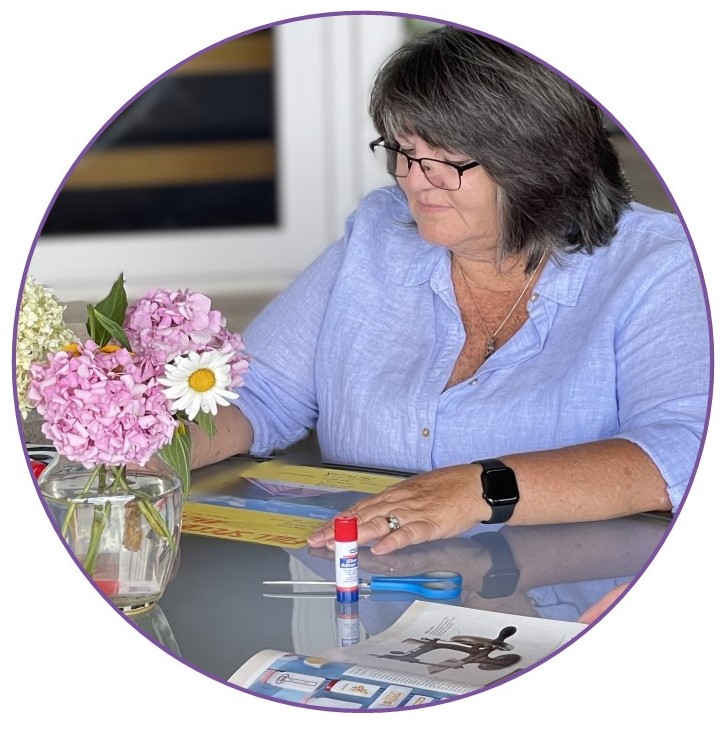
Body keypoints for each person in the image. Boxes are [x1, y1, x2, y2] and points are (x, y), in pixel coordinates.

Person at [189, 26, 709, 555]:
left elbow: (685, 449)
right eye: (405, 152)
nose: (414, 180)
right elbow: (260, 394)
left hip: (568, 597)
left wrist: (479, 489)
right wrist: (145, 450)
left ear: (534, 162)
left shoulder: (658, 265)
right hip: (368, 586)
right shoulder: (378, 231)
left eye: (447, 161)